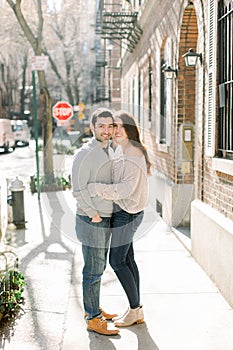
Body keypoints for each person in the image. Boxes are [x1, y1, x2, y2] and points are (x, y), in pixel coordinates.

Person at [88, 110, 152, 327]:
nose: (115, 131)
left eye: (119, 127)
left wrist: (97, 188)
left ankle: (135, 310)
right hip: (125, 212)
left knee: (117, 261)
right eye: (113, 127)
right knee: (128, 260)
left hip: (128, 214)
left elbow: (124, 190)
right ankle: (137, 309)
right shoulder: (122, 151)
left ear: (129, 130)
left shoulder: (133, 155)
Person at [71, 108, 119, 336]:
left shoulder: (109, 150)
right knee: (93, 270)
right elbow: (78, 190)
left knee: (98, 267)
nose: (106, 130)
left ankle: (93, 307)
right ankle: (93, 318)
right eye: (101, 126)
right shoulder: (84, 154)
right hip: (92, 220)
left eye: (110, 126)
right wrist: (94, 214)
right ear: (92, 128)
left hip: (104, 218)